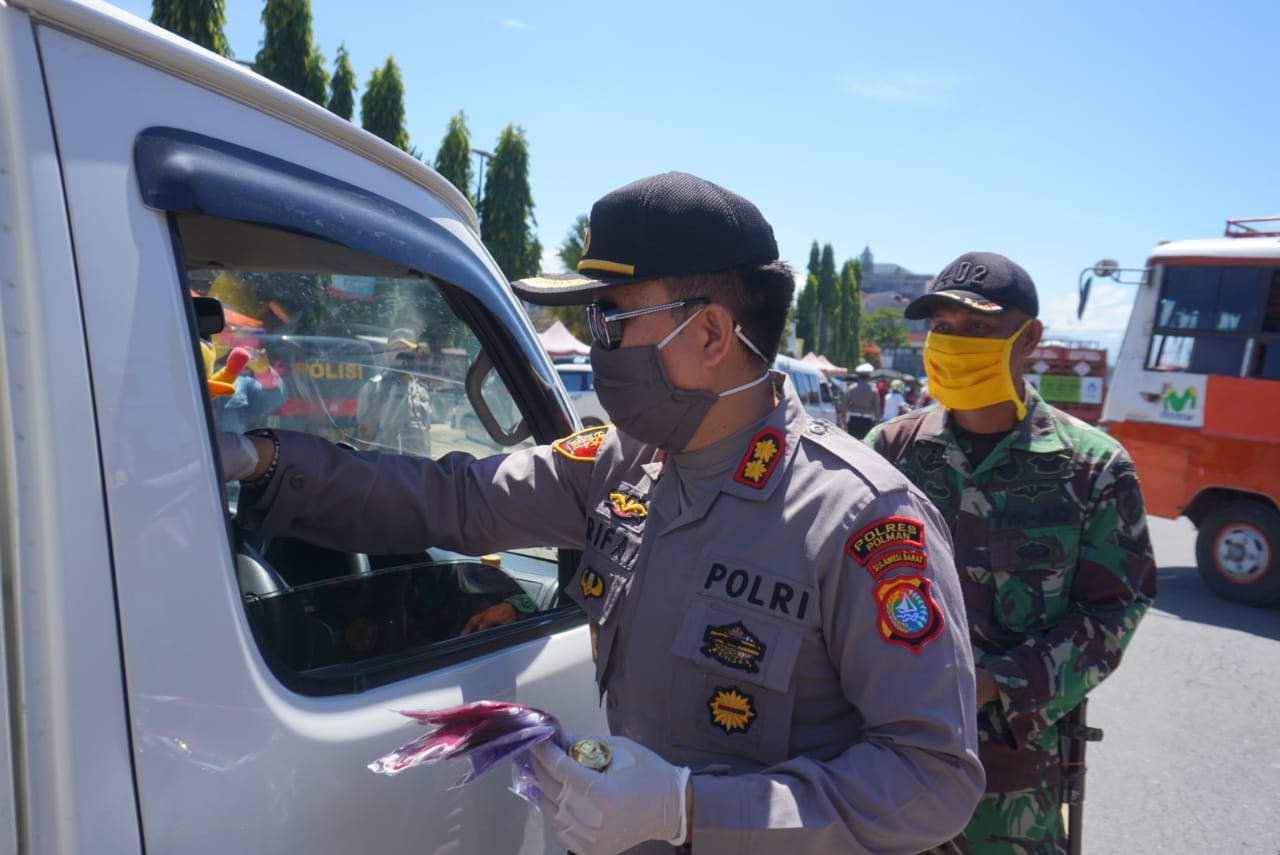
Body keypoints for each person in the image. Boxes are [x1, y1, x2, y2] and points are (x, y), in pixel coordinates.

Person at [220, 172, 984, 854]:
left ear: (712, 332)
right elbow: (450, 498)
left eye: (611, 320)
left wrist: (691, 809)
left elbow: (932, 778)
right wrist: (263, 463)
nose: (596, 344)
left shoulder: (861, 517)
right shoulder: (623, 462)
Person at [865, 251, 1157, 855]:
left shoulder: (1093, 468)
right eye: (942, 328)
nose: (954, 343)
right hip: (877, 759)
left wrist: (993, 685)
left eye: (978, 329)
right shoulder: (888, 452)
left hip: (1011, 789)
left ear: (1030, 339)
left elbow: (1114, 612)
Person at [355, 328, 432, 458]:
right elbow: (364, 440)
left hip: (417, 471)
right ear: (386, 354)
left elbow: (426, 439)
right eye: (396, 351)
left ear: (416, 354)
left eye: (406, 350)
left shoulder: (421, 392)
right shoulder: (374, 389)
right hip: (386, 470)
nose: (401, 355)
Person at [842, 362, 881, 438]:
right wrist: (877, 420)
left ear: (858, 376)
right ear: (869, 376)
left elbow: (845, 404)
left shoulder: (851, 388)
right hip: (867, 421)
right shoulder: (873, 390)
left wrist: (843, 416)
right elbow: (877, 407)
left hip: (853, 419)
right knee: (864, 443)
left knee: (852, 441)